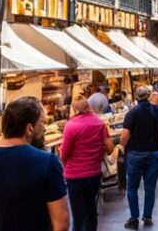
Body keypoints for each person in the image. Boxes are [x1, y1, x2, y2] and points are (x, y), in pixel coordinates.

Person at [0, 97, 70, 231]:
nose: (43, 128)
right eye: (41, 122)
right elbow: (61, 224)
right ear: (29, 128)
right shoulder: (48, 163)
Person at [121, 86, 158, 229]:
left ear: (136, 98)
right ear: (149, 96)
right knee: (150, 187)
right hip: (154, 153)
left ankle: (134, 218)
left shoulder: (132, 113)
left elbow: (125, 135)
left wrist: (120, 148)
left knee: (132, 187)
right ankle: (147, 216)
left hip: (135, 154)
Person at [60, 98, 115, 231]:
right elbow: (110, 148)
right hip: (94, 175)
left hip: (74, 177)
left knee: (78, 216)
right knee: (91, 212)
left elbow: (64, 155)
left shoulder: (71, 126)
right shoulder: (99, 123)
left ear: (75, 110)